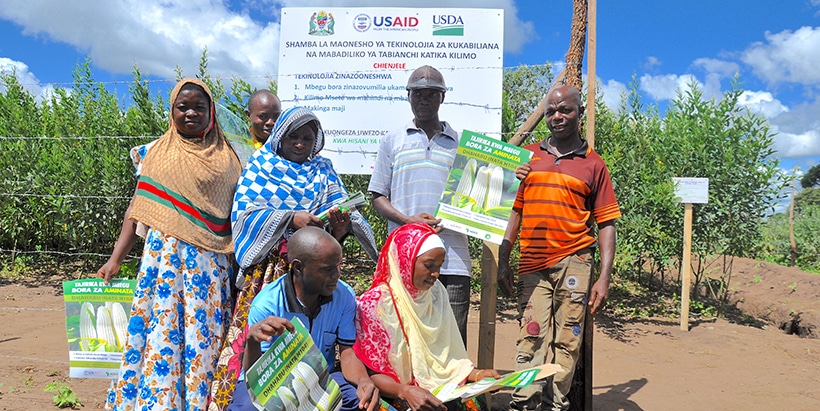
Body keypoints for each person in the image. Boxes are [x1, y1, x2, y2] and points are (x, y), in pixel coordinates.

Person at [208, 106, 378, 409]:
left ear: (316, 141)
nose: (300, 143)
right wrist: (289, 219)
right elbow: (245, 215)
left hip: (315, 266)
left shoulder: (323, 170)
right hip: (270, 269)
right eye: (293, 137)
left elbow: (329, 234)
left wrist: (338, 228)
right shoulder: (261, 165)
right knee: (261, 353)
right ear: (280, 138)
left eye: (307, 137)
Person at [96, 78, 243, 411]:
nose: (190, 113)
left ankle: (196, 401)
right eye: (183, 106)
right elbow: (137, 209)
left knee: (200, 336)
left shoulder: (230, 159)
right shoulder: (154, 153)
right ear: (172, 111)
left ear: (212, 112)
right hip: (161, 263)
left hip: (208, 264)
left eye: (199, 107)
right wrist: (116, 258)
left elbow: (237, 215)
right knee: (160, 330)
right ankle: (157, 401)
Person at [498, 85, 621, 411]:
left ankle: (556, 405)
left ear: (579, 113)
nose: (556, 117)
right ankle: (523, 404)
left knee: (567, 341)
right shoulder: (529, 158)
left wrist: (604, 277)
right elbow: (514, 209)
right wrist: (503, 257)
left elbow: (606, 223)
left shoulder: (594, 165)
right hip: (532, 265)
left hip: (575, 262)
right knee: (531, 336)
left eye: (564, 110)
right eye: (550, 111)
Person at [368, 65, 472, 346]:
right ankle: (407, 392)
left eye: (431, 94)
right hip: (405, 258)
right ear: (408, 97)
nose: (424, 100)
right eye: (417, 94)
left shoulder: (462, 145)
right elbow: (377, 196)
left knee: (452, 338)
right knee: (405, 336)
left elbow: (479, 198)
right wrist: (408, 221)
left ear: (442, 98)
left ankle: (451, 392)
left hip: (454, 260)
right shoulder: (392, 140)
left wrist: (510, 179)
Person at [227, 226, 380, 411]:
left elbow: (347, 354)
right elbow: (260, 378)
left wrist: (363, 381)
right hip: (275, 382)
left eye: (339, 266)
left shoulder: (343, 295)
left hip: (320, 377)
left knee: (363, 401)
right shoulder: (267, 304)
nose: (337, 275)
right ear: (299, 267)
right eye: (328, 269)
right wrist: (252, 341)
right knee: (247, 408)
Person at [354, 223, 500, 411]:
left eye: (439, 266)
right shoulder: (376, 304)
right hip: (393, 393)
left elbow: (447, 360)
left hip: (435, 389)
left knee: (472, 404)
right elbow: (371, 373)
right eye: (429, 265)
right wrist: (405, 391)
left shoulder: (436, 294)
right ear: (405, 260)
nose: (436, 274)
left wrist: (479, 375)